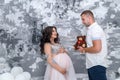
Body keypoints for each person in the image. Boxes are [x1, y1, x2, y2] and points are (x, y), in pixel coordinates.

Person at [78, 10, 108, 80]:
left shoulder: (95, 30)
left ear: (89, 18)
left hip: (96, 65)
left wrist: (84, 49)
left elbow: (97, 48)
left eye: (83, 19)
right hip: (93, 65)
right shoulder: (91, 30)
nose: (82, 22)